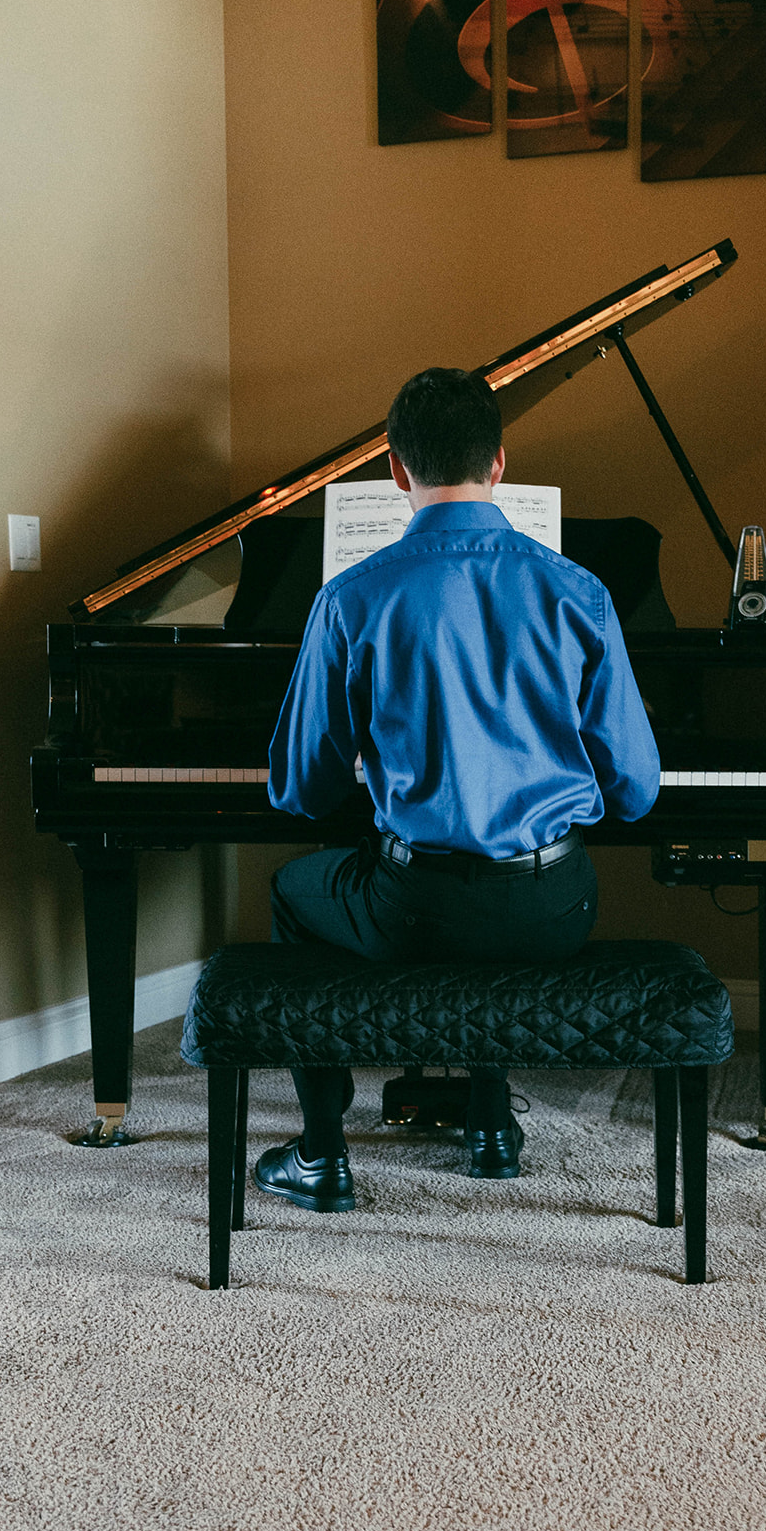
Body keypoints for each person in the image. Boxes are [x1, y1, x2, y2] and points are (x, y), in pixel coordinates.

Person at [256, 366, 661, 1212]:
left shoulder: (349, 598)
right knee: (496, 908)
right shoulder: (577, 591)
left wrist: (384, 760)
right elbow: (636, 792)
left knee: (296, 893)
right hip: (555, 910)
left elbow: (298, 789)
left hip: (416, 909)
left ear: (396, 471)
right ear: (502, 463)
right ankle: (488, 1127)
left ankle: (323, 1154)